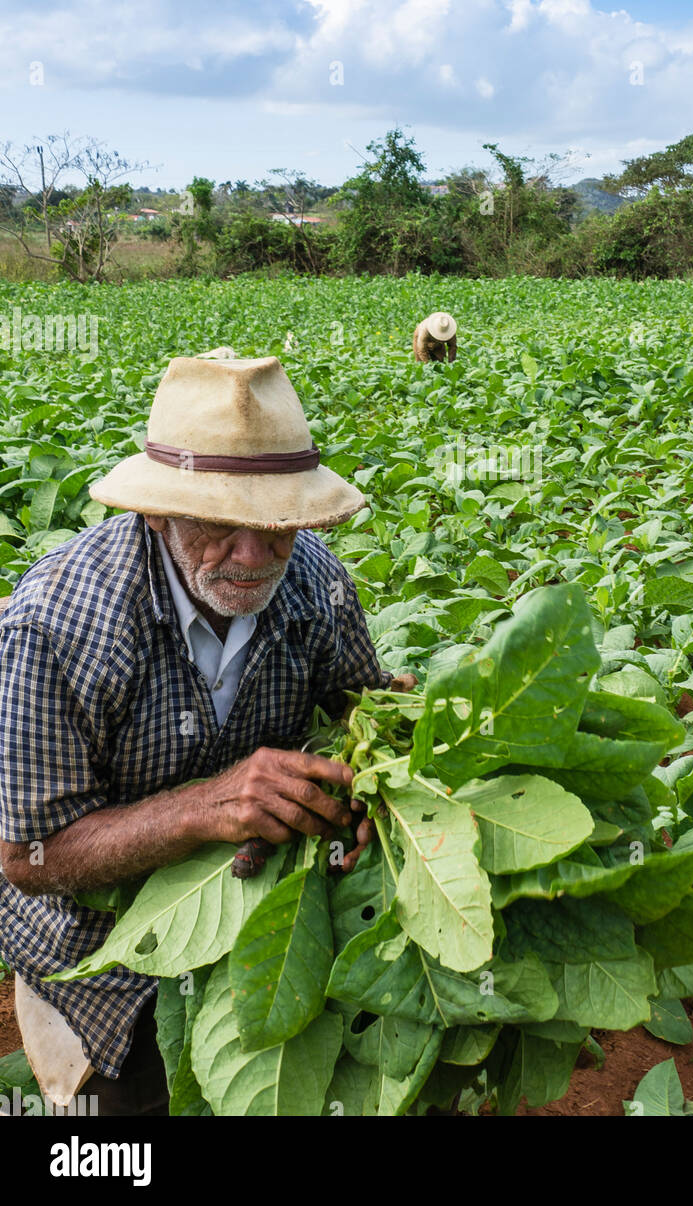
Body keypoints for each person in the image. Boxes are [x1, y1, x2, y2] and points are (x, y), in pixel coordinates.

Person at [0, 355, 414, 1114]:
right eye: (220, 523)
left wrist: (384, 748)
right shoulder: (57, 625)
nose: (254, 556)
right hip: (104, 945)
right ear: (157, 511)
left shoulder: (316, 581)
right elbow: (27, 858)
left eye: (276, 524)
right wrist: (205, 808)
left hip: (275, 901)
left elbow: (352, 705)